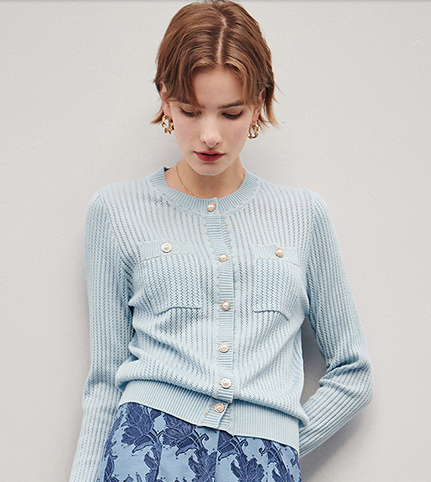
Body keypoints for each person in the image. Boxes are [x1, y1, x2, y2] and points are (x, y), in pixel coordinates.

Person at [70, 1, 373, 481]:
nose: (209, 135)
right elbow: (106, 382)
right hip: (145, 453)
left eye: (230, 113)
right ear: (165, 99)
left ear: (258, 104)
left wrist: (280, 448)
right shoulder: (116, 211)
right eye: (190, 111)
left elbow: (353, 372)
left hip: (260, 463)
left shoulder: (303, 215)